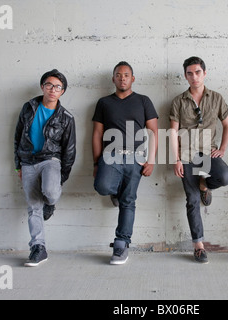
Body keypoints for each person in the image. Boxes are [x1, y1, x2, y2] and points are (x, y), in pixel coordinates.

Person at [92, 61, 158, 265]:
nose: (122, 78)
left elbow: (154, 131)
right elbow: (97, 133)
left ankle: (121, 244)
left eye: (126, 75)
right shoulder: (104, 103)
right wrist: (96, 163)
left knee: (128, 201)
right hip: (110, 155)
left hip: (136, 157)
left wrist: (151, 160)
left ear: (133, 78)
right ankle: (115, 189)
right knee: (102, 186)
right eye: (118, 75)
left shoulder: (143, 101)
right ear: (113, 79)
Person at [169, 56, 228, 264]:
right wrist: (176, 159)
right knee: (192, 200)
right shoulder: (179, 101)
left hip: (207, 152)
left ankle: (205, 184)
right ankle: (199, 246)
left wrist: (222, 148)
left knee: (225, 176)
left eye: (197, 72)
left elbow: (227, 125)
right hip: (187, 154)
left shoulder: (216, 98)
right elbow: (172, 131)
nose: (194, 77)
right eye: (189, 73)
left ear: (204, 73)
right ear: (185, 76)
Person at [14, 69, 76, 267]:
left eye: (57, 87)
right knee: (33, 207)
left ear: (62, 91)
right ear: (42, 86)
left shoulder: (66, 117)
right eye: (49, 85)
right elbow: (17, 137)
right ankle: (38, 248)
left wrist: (61, 178)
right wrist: (18, 166)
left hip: (51, 160)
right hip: (28, 161)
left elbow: (70, 150)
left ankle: (51, 202)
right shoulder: (28, 107)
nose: (52, 89)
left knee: (50, 191)